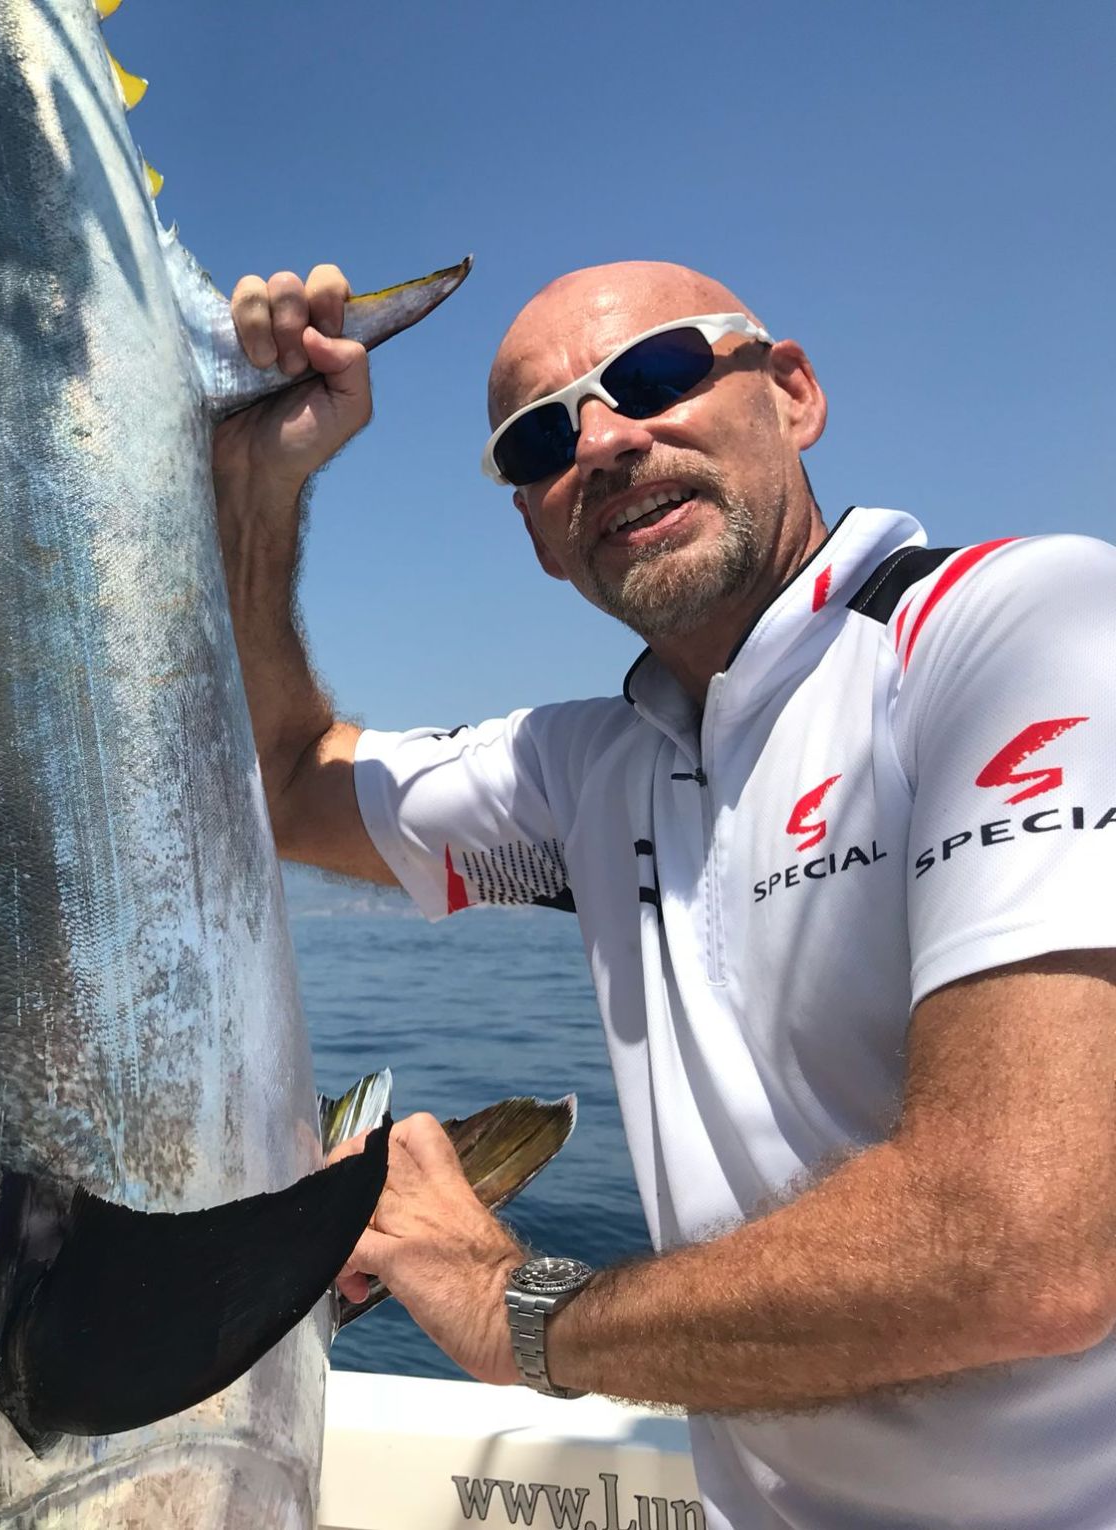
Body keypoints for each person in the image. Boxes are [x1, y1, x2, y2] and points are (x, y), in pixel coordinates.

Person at [214, 260, 1116, 1528]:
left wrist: (517, 1313)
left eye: (656, 375)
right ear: (536, 528)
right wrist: (264, 480)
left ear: (792, 393)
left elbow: (1019, 1249)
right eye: (542, 437)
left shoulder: (1017, 627)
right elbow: (291, 783)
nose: (606, 439)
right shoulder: (591, 768)